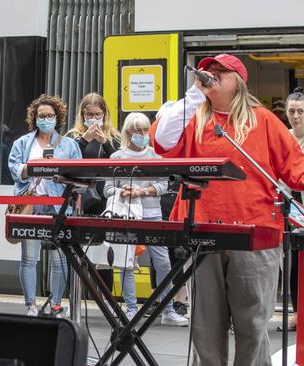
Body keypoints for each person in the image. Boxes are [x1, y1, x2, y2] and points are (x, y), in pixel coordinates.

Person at [151, 53, 304, 365]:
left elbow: (296, 171)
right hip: (202, 230)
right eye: (208, 70)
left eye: (221, 71)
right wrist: (194, 94)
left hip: (255, 233)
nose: (211, 74)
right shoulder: (192, 116)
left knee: (253, 326)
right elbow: (161, 142)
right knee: (205, 329)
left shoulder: (264, 120)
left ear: (239, 81)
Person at [103, 112, 188, 326]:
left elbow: (164, 186)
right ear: (128, 133)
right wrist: (122, 190)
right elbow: (107, 189)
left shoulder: (156, 158)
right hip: (126, 214)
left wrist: (142, 191)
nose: (142, 134)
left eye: (145, 130)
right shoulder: (116, 158)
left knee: (163, 263)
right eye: (137, 131)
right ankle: (131, 309)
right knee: (126, 263)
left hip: (152, 214)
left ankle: (167, 308)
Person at [8, 94, 82, 316]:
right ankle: (30, 305)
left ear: (57, 117)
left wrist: (58, 172)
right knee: (29, 258)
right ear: (34, 118)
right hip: (31, 205)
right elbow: (14, 170)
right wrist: (35, 166)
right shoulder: (22, 143)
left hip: (58, 207)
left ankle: (56, 305)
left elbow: (78, 177)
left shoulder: (69, 144)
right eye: (41, 116)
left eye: (50, 115)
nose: (46, 119)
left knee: (59, 260)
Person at [67, 93, 120, 299]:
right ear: (83, 115)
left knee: (105, 248)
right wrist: (85, 139)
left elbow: (118, 159)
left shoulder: (113, 136)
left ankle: (105, 297)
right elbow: (68, 159)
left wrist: (104, 141)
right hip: (80, 197)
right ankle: (76, 295)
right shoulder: (73, 136)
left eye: (98, 114)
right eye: (89, 114)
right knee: (78, 248)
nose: (94, 118)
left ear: (105, 114)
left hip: (104, 198)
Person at [278, 87, 304, 332]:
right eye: (292, 111)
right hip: (286, 203)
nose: (296, 116)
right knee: (292, 264)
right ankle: (297, 313)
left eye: (301, 112)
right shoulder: (283, 137)